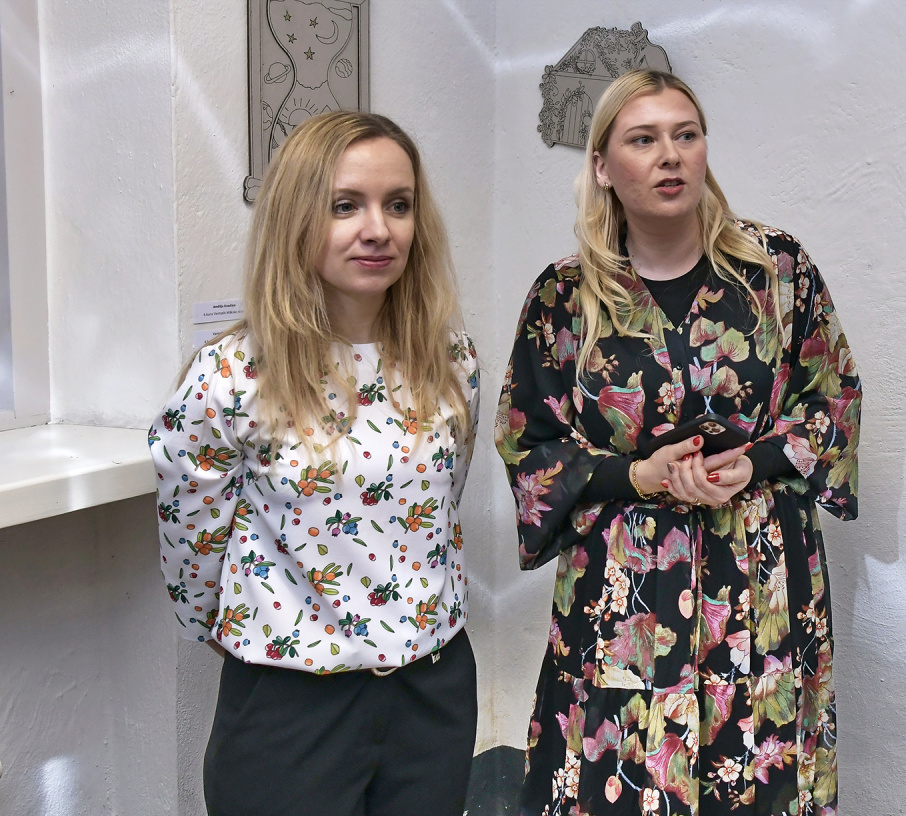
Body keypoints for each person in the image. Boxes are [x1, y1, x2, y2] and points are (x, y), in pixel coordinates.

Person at [496, 70, 861, 815]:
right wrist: (638, 475)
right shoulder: (564, 298)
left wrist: (754, 461)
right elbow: (527, 444)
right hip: (622, 583)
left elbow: (833, 397)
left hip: (759, 571)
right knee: (617, 778)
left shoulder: (775, 271)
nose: (670, 155)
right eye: (643, 139)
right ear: (603, 166)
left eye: (685, 135)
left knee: (757, 773)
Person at [149, 111, 480, 816]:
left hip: (433, 691)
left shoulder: (449, 361)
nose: (378, 229)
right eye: (345, 205)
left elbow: (439, 508)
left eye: (398, 205)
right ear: (295, 218)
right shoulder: (231, 377)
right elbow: (192, 548)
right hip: (291, 703)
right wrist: (264, 633)